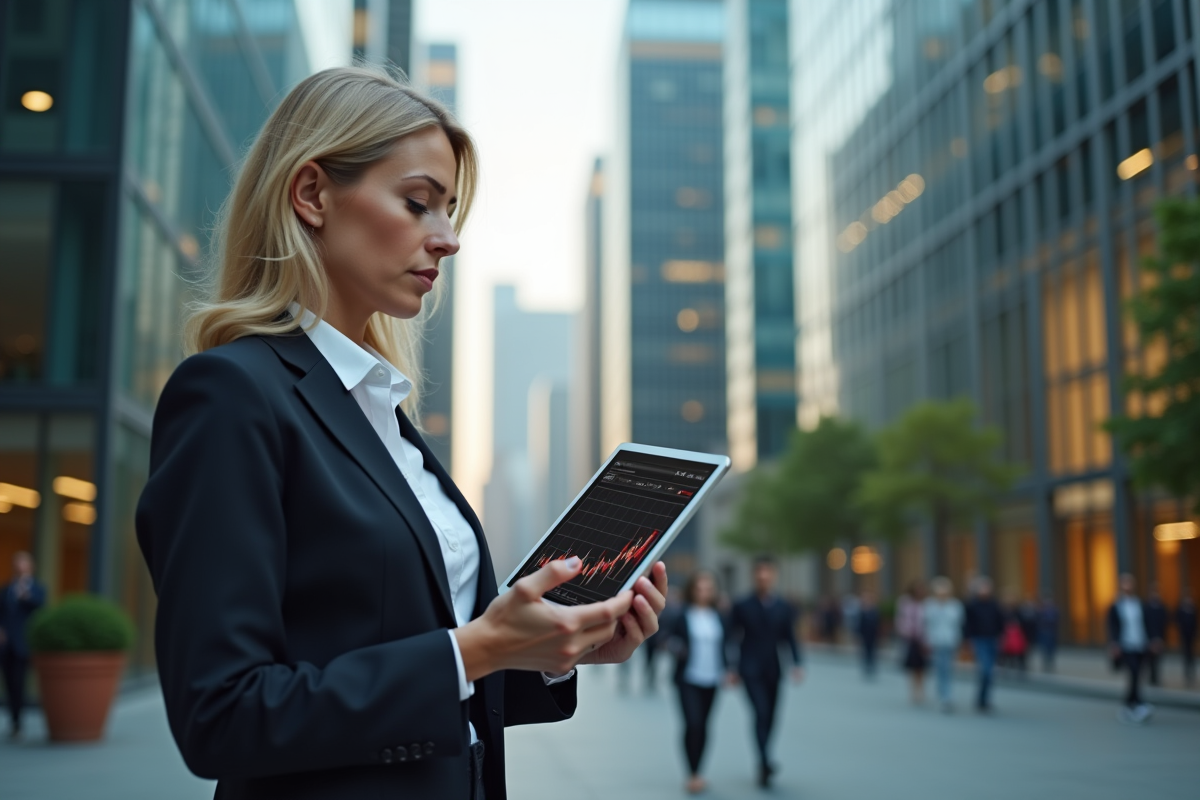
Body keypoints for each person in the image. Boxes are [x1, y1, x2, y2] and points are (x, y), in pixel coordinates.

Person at [134, 66, 669, 800]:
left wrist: (549, 652)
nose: (448, 241)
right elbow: (222, 714)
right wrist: (475, 646)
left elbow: (429, 680)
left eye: (451, 212)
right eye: (419, 204)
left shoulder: (384, 416)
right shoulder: (231, 396)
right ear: (313, 194)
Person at [727, 556, 802, 789]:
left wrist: (797, 663)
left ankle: (765, 757)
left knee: (771, 716)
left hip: (773, 668)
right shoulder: (741, 605)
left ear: (774, 576)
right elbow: (730, 636)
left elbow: (790, 637)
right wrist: (730, 667)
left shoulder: (783, 606)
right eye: (759, 573)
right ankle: (764, 761)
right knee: (760, 712)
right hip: (749, 668)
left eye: (767, 573)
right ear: (754, 576)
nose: (763, 577)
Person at [668, 572, 727, 795]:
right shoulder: (682, 615)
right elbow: (666, 638)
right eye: (700, 588)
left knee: (704, 725)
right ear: (692, 590)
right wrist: (677, 648)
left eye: (708, 588)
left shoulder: (719, 616)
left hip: (712, 679)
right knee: (692, 723)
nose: (704, 592)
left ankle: (699, 771)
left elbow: (727, 644)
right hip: (687, 678)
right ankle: (691, 773)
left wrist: (729, 669)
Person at [0, 552, 46, 739]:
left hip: (23, 644)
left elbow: (39, 607)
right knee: (9, 684)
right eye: (17, 562)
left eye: (23, 562)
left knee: (19, 683)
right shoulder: (6, 590)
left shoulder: (36, 589)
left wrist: (25, 594)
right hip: (5, 645)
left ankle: (19, 722)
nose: (20, 565)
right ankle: (14, 721)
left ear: (30, 566)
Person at [1108, 573, 1154, 723]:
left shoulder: (1140, 604)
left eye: (1130, 583)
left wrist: (1153, 640)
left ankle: (1128, 706)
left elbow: (1148, 623)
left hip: (1140, 644)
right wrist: (1114, 644)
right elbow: (1112, 627)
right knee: (1133, 672)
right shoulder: (1116, 606)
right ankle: (1139, 704)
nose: (1127, 586)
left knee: (1138, 674)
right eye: (1125, 583)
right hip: (1126, 645)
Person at [963, 576, 1004, 713]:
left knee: (990, 671)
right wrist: (967, 641)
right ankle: (981, 698)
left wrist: (1000, 636)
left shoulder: (994, 604)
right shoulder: (972, 605)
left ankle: (984, 699)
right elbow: (967, 624)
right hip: (979, 640)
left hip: (992, 639)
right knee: (985, 670)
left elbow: (1000, 622)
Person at [923, 577, 964, 712]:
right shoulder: (930, 605)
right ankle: (943, 694)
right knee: (940, 668)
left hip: (950, 641)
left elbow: (959, 623)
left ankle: (947, 696)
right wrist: (926, 641)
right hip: (935, 641)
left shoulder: (955, 605)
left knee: (947, 668)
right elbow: (926, 624)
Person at [894, 580, 928, 704]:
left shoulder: (926, 604)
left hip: (922, 638)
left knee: (922, 666)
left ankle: (921, 689)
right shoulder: (905, 602)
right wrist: (903, 631)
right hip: (909, 638)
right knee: (912, 665)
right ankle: (913, 690)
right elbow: (900, 618)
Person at [1143, 584, 1168, 686]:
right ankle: (1152, 677)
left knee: (1158, 659)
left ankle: (1156, 678)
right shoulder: (1147, 608)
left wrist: (1161, 638)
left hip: (1159, 637)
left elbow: (1164, 623)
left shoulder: (1161, 607)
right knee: (1150, 660)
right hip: (1149, 637)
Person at [856, 590, 882, 679]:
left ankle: (872, 667)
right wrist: (859, 635)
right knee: (865, 651)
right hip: (865, 635)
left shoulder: (874, 610)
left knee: (873, 651)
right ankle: (866, 667)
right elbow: (860, 624)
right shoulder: (863, 610)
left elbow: (878, 623)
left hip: (873, 635)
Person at [1178, 590, 1197, 687]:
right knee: (1186, 653)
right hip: (1184, 635)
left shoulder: (1193, 609)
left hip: (1191, 636)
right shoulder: (1181, 609)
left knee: (1191, 654)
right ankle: (1186, 671)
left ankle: (1191, 670)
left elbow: (1195, 623)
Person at [1036, 595, 1060, 672]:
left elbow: (1056, 621)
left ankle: (1050, 663)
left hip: (1051, 632)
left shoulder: (1054, 610)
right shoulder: (1041, 611)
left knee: (1051, 649)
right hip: (1044, 632)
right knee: (1045, 649)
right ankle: (1046, 663)